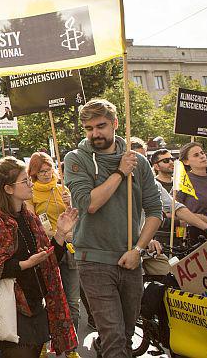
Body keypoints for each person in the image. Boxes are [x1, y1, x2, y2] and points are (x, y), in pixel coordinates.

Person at [63, 99, 162, 358]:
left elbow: (155, 211)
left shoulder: (138, 161)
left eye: (101, 126)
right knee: (114, 335)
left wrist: (138, 250)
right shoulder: (76, 158)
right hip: (93, 260)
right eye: (88, 128)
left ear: (115, 124)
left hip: (130, 260)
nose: (95, 133)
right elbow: (89, 204)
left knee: (126, 335)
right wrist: (119, 172)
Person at [0, 157, 78, 357]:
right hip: (11, 311)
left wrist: (59, 235)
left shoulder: (28, 216)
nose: (31, 183)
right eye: (25, 181)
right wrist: (25, 264)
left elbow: (48, 261)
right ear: (8, 189)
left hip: (36, 304)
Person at [25, 152, 80, 358]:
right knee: (48, 300)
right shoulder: (30, 194)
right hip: (46, 250)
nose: (46, 174)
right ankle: (44, 344)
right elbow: (33, 222)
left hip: (70, 247)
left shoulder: (62, 189)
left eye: (48, 170)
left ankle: (71, 347)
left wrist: (70, 201)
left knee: (72, 301)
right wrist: (56, 233)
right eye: (41, 172)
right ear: (34, 174)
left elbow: (76, 216)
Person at [150, 150, 207, 243]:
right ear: (156, 166)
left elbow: (181, 208)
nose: (171, 162)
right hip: (164, 236)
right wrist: (193, 218)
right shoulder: (153, 185)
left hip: (185, 234)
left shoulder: (181, 182)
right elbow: (161, 214)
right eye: (166, 161)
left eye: (172, 159)